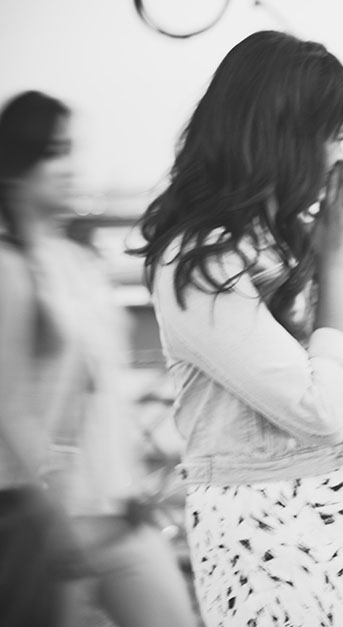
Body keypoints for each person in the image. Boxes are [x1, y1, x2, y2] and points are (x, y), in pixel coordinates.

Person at [130, 31, 343, 627]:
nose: (341, 156)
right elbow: (319, 411)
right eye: (333, 135)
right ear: (284, 137)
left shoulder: (296, 239)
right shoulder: (202, 263)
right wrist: (338, 266)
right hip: (269, 552)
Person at [0, 91, 196, 627]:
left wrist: (131, 485)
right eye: (54, 152)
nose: (69, 167)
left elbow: (105, 385)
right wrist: (52, 515)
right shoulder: (10, 267)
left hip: (116, 510)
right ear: (16, 164)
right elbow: (7, 404)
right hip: (53, 522)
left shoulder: (77, 261)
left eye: (71, 150)